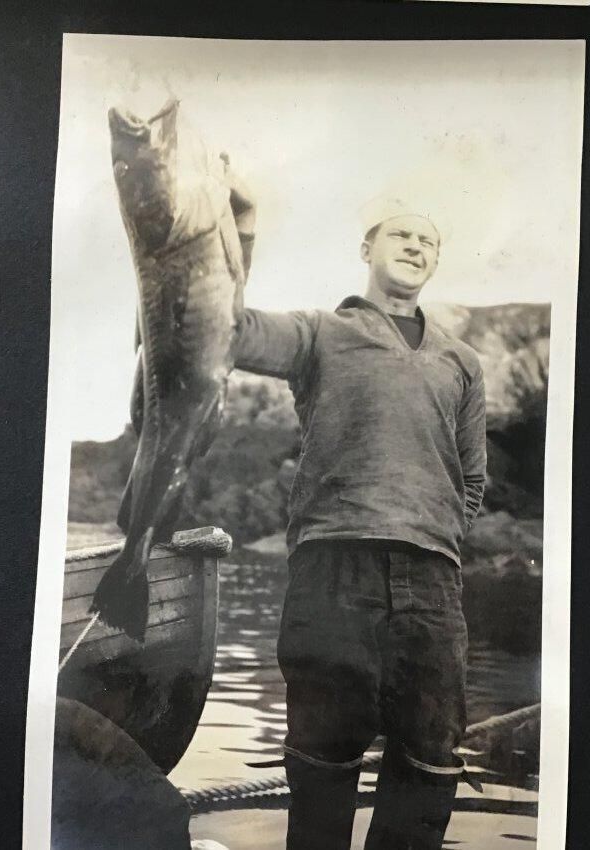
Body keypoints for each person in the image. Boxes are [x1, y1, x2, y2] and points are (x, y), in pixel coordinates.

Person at [228, 173, 486, 850]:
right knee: (321, 761)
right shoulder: (320, 333)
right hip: (332, 571)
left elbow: (472, 477)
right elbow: (228, 331)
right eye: (402, 234)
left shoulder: (462, 361)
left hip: (431, 582)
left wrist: (434, 536)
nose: (416, 246)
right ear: (368, 248)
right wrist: (241, 232)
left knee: (430, 763)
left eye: (429, 240)